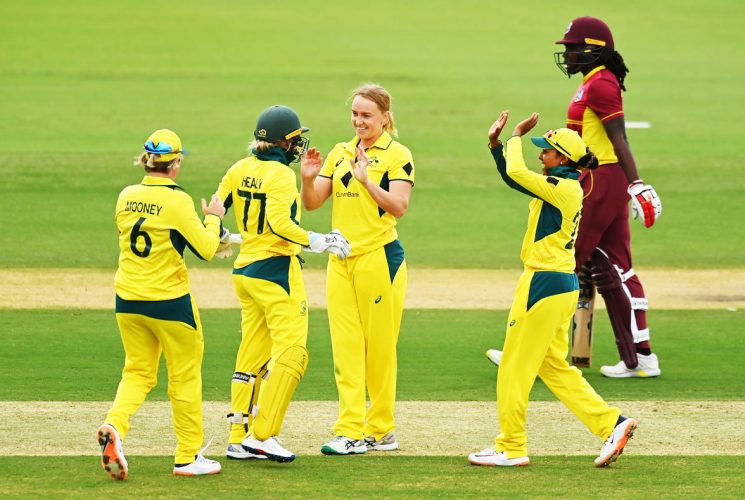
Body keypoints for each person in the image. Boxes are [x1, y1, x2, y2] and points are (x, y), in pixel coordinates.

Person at [488, 17, 662, 378]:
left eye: (571, 48)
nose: (566, 54)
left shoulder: (600, 85)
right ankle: (640, 356)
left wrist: (636, 183)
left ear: (593, 50)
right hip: (603, 179)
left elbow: (619, 139)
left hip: (599, 182)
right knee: (618, 266)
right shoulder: (593, 82)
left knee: (563, 265)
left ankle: (529, 354)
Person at [468, 110, 637, 468]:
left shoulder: (562, 188)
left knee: (513, 368)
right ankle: (612, 423)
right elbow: (515, 178)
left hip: (543, 283)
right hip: (560, 284)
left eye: (546, 151)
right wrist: (496, 145)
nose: (540, 155)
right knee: (554, 368)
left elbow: (516, 172)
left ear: (562, 159)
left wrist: (514, 135)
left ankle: (511, 447)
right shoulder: (562, 185)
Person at [217, 105, 351, 463]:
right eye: (294, 139)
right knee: (293, 354)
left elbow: (216, 208)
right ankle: (263, 435)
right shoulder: (279, 176)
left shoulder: (239, 168)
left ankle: (237, 435)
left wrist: (222, 236)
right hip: (276, 274)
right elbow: (279, 224)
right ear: (281, 141)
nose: (297, 146)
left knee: (252, 357)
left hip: (245, 275)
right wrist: (320, 240)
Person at [98, 129, 225, 480]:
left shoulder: (126, 196)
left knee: (137, 372)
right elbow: (207, 248)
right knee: (184, 378)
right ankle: (187, 457)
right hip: (169, 303)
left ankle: (114, 425)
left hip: (127, 298)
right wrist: (213, 216)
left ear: (146, 160)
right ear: (177, 162)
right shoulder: (178, 200)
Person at [300, 84, 415, 455]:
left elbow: (398, 206)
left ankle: (381, 430)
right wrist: (306, 177)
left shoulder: (398, 155)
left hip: (379, 259)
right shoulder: (340, 152)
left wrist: (367, 182)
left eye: (366, 115)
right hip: (341, 260)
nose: (358, 121)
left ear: (384, 116)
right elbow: (314, 203)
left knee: (378, 349)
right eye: (354, 114)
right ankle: (349, 429)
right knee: (345, 349)